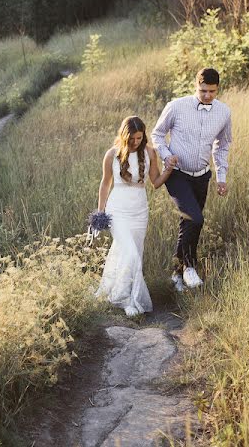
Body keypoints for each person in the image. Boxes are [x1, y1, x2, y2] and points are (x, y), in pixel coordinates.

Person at [151, 68, 232, 291]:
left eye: (212, 92)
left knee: (189, 222)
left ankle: (176, 276)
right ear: (196, 86)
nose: (207, 96)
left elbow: (222, 145)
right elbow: (156, 134)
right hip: (177, 174)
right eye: (203, 90)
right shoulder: (176, 106)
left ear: (217, 89)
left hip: (202, 175)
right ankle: (189, 267)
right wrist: (166, 157)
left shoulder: (223, 112)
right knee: (195, 219)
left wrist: (221, 177)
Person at [95, 116, 175, 316]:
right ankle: (124, 300)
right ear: (124, 136)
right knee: (129, 252)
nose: (135, 142)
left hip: (139, 210)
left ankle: (128, 294)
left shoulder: (149, 153)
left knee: (134, 254)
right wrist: (100, 213)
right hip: (118, 209)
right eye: (132, 139)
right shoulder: (111, 155)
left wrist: (169, 170)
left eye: (139, 138)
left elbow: (155, 182)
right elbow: (105, 184)